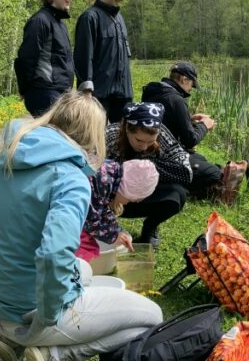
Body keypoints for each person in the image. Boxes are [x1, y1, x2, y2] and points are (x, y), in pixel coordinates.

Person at [0, 91, 163, 361]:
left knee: (82, 269)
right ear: (93, 138)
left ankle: (14, 340)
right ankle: (54, 353)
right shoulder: (71, 179)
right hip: (33, 315)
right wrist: (49, 315)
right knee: (152, 316)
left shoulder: (1, 161)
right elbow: (53, 254)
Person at [106, 102, 192, 247]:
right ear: (127, 128)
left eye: (150, 142)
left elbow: (185, 171)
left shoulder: (161, 133)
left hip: (144, 197)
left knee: (178, 194)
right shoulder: (109, 135)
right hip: (113, 197)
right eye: (138, 140)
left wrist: (149, 167)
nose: (144, 146)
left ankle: (150, 226)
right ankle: (105, 223)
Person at [140, 61, 223, 198]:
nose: (191, 88)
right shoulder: (176, 99)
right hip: (164, 157)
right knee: (214, 173)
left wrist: (188, 120)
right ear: (184, 79)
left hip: (151, 151)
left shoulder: (154, 91)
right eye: (192, 84)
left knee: (200, 158)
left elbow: (164, 122)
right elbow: (190, 140)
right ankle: (178, 187)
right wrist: (205, 125)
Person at [14, 0, 82, 117]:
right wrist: (25, 90)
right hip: (45, 94)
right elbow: (25, 59)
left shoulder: (59, 23)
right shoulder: (40, 21)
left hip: (59, 95)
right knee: (52, 138)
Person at [74, 0, 136, 122]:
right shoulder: (90, 18)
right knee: (94, 141)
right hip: (97, 96)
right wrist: (86, 92)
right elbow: (83, 57)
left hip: (122, 96)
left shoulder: (119, 19)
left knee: (121, 142)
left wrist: (128, 91)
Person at [77, 159, 159, 262]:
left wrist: (118, 231)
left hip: (64, 200)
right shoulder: (101, 182)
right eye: (130, 200)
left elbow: (102, 209)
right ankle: (78, 271)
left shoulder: (110, 173)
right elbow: (91, 221)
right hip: (61, 208)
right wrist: (114, 236)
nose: (127, 203)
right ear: (128, 190)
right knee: (89, 248)